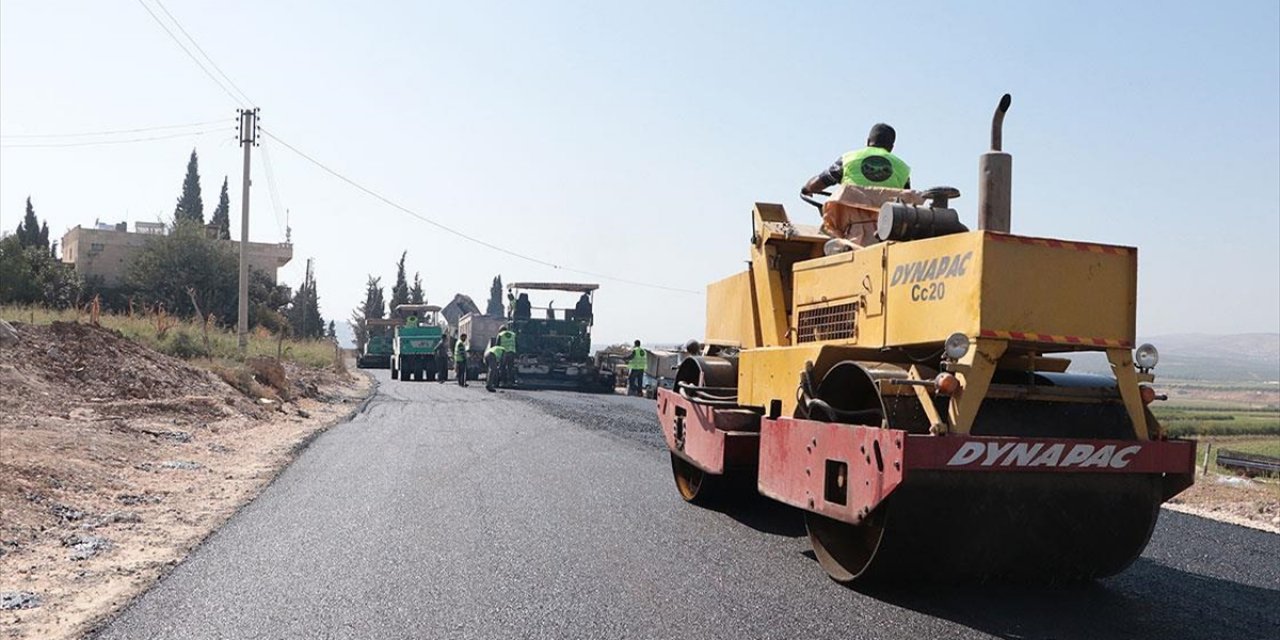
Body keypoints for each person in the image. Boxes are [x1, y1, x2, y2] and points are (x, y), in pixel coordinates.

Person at [802, 123, 911, 195]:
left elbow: (817, 184)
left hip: (846, 222)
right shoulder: (903, 169)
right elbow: (905, 201)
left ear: (868, 142)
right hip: (884, 226)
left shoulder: (848, 159)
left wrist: (807, 189)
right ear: (891, 148)